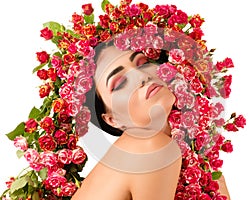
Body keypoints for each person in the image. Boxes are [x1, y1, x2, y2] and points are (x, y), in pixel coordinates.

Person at [72, 41, 231, 199]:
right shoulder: (150, 147)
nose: (142, 76)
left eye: (143, 64)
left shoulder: (201, 172)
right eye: (120, 83)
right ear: (113, 120)